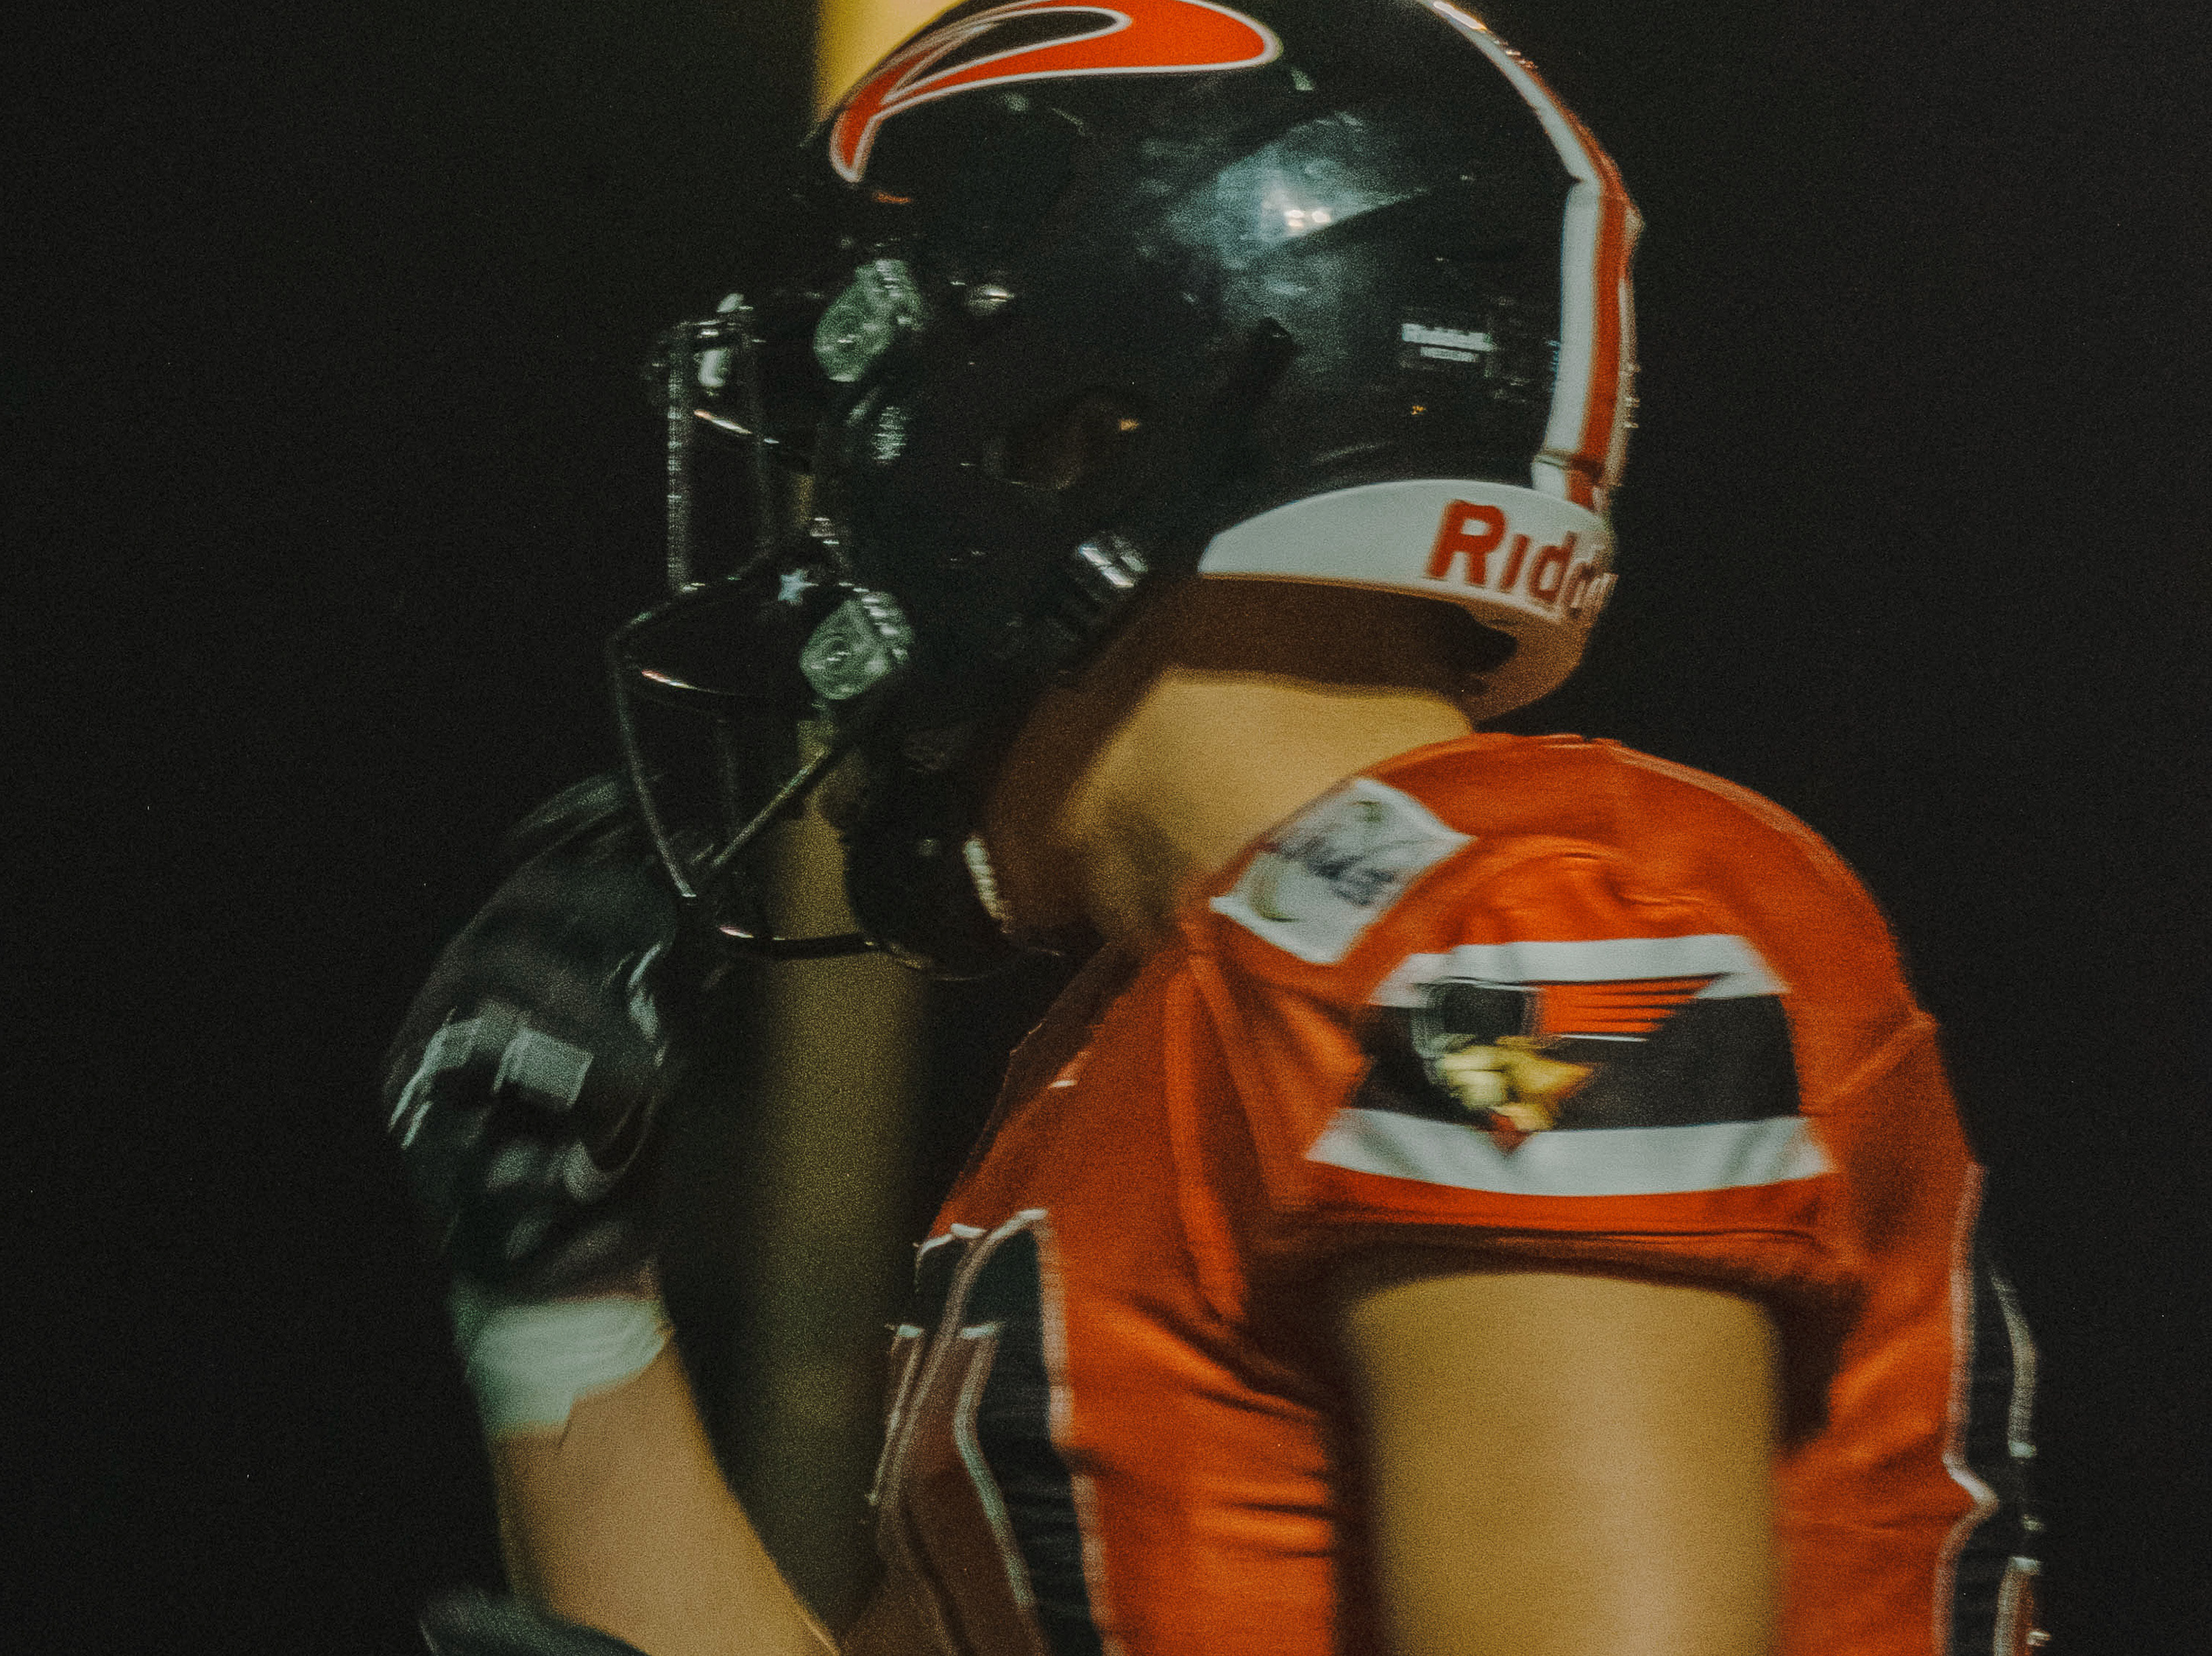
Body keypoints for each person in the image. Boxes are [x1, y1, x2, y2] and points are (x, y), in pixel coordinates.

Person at [385, 3, 2043, 1654]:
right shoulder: (1146, 1036)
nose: (826, 563)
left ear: (1071, 440)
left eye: (863, 451)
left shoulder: (1531, 922)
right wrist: (556, 1291)